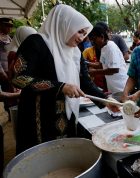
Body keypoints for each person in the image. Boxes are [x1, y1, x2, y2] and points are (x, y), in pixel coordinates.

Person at [12, 4, 108, 154]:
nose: (82, 38)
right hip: (39, 117)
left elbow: (85, 83)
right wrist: (60, 87)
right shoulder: (35, 43)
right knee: (42, 161)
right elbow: (19, 78)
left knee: (65, 157)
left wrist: (105, 101)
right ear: (65, 24)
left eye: (85, 33)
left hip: (67, 116)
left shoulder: (75, 53)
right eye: (80, 32)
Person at [87, 25, 128, 93]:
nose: (93, 43)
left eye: (94, 40)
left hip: (121, 87)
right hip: (113, 87)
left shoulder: (111, 47)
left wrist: (94, 72)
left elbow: (114, 70)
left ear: (102, 37)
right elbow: (101, 65)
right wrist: (86, 63)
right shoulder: (103, 48)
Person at [0, 18, 13, 94]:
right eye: (7, 26)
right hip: (2, 72)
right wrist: (1, 72)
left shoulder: (8, 37)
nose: (10, 28)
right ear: (1, 25)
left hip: (9, 70)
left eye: (11, 26)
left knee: (10, 92)